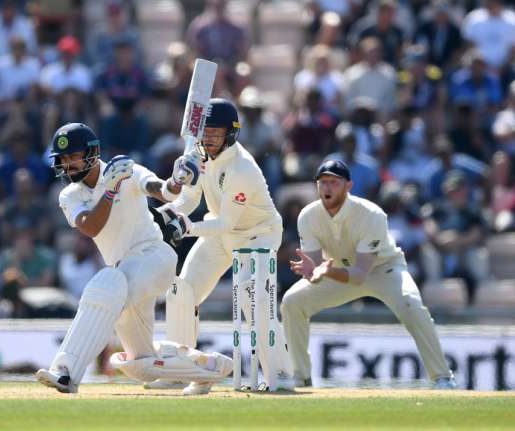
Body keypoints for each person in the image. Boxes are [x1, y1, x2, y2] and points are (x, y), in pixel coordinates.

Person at [36, 123, 231, 395]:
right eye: (63, 160)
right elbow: (92, 227)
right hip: (124, 272)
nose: (68, 165)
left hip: (154, 257)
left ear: (92, 153)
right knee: (141, 363)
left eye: (73, 157)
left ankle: (65, 372)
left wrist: (177, 179)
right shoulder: (69, 195)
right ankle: (211, 367)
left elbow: (164, 191)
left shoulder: (127, 170)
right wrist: (110, 191)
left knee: (105, 284)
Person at [155, 99, 294, 391]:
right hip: (219, 231)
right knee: (182, 291)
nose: (209, 139)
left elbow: (228, 224)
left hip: (257, 233)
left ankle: (280, 376)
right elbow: (190, 199)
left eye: (216, 133)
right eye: (205, 132)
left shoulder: (241, 168)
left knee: (251, 295)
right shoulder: (198, 153)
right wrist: (171, 209)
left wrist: (187, 227)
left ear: (231, 134)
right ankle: (180, 370)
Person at [282, 160, 457, 389]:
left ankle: (442, 377)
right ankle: (301, 377)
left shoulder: (371, 214)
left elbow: (359, 275)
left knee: (411, 304)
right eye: (323, 182)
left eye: (334, 182)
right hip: (337, 272)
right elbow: (315, 270)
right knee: (292, 302)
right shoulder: (308, 216)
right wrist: (313, 273)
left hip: (383, 270)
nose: (327, 188)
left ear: (349, 186)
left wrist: (326, 270)